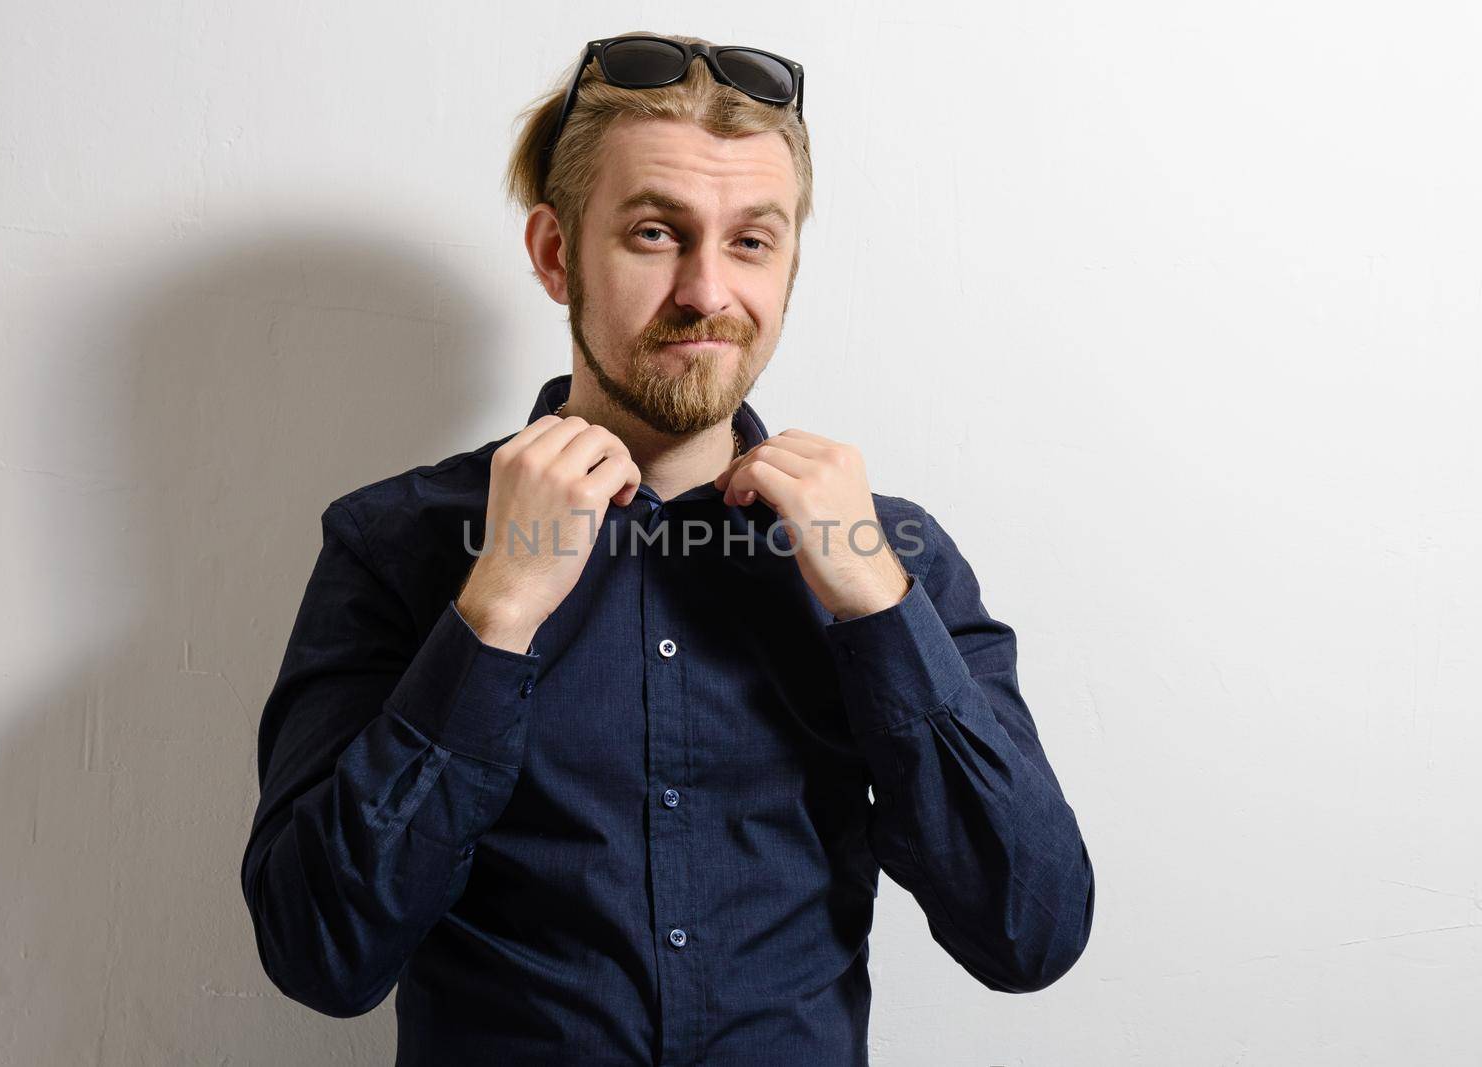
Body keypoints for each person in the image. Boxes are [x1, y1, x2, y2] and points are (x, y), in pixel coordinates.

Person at [240, 31, 1094, 1065]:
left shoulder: (894, 554)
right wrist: (494, 614)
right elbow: (318, 954)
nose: (706, 292)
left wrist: (879, 607)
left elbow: (1031, 931)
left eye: (751, 241)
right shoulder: (397, 544)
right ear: (558, 255)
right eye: (655, 232)